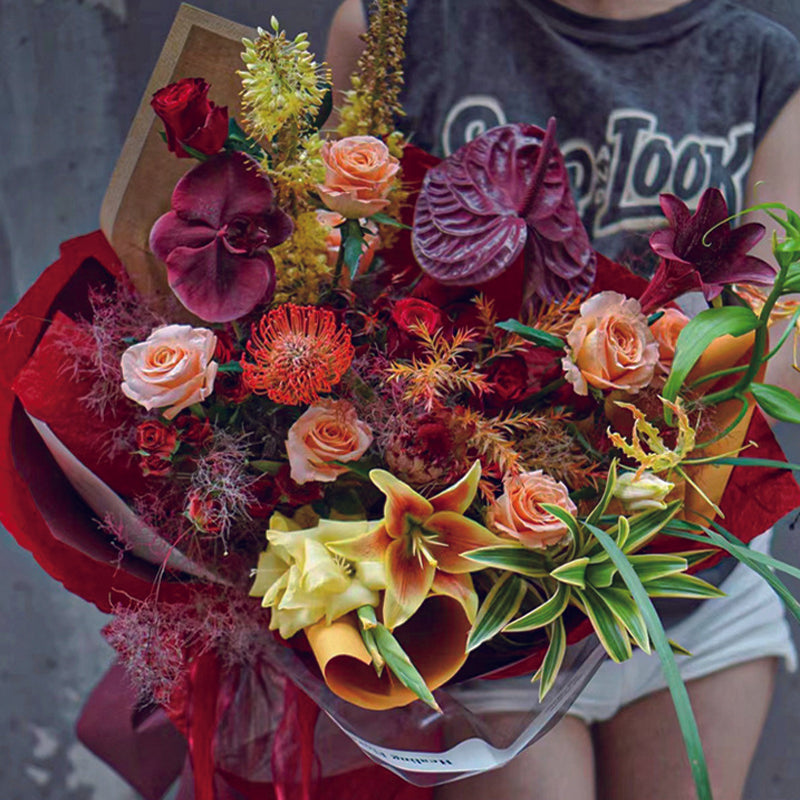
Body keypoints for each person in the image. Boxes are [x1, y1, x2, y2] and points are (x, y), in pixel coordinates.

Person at [325, 2, 800, 799]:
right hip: (485, 598)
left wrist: (640, 497)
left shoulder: (763, 68)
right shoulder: (402, 22)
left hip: (691, 591)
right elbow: (329, 278)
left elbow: (775, 346)